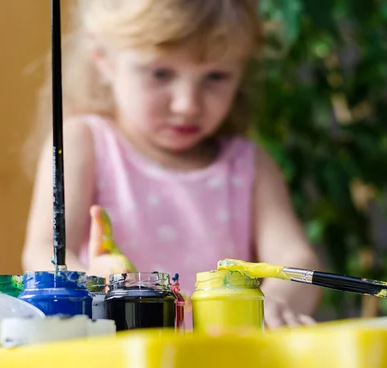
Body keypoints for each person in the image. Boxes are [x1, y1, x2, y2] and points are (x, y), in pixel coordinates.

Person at [22, 0, 322, 328]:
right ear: (103, 58)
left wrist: (277, 299)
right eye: (161, 73)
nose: (187, 105)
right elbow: (44, 255)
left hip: (225, 364)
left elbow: (297, 260)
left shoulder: (249, 165)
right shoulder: (83, 144)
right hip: (119, 364)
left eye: (216, 76)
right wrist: (92, 283)